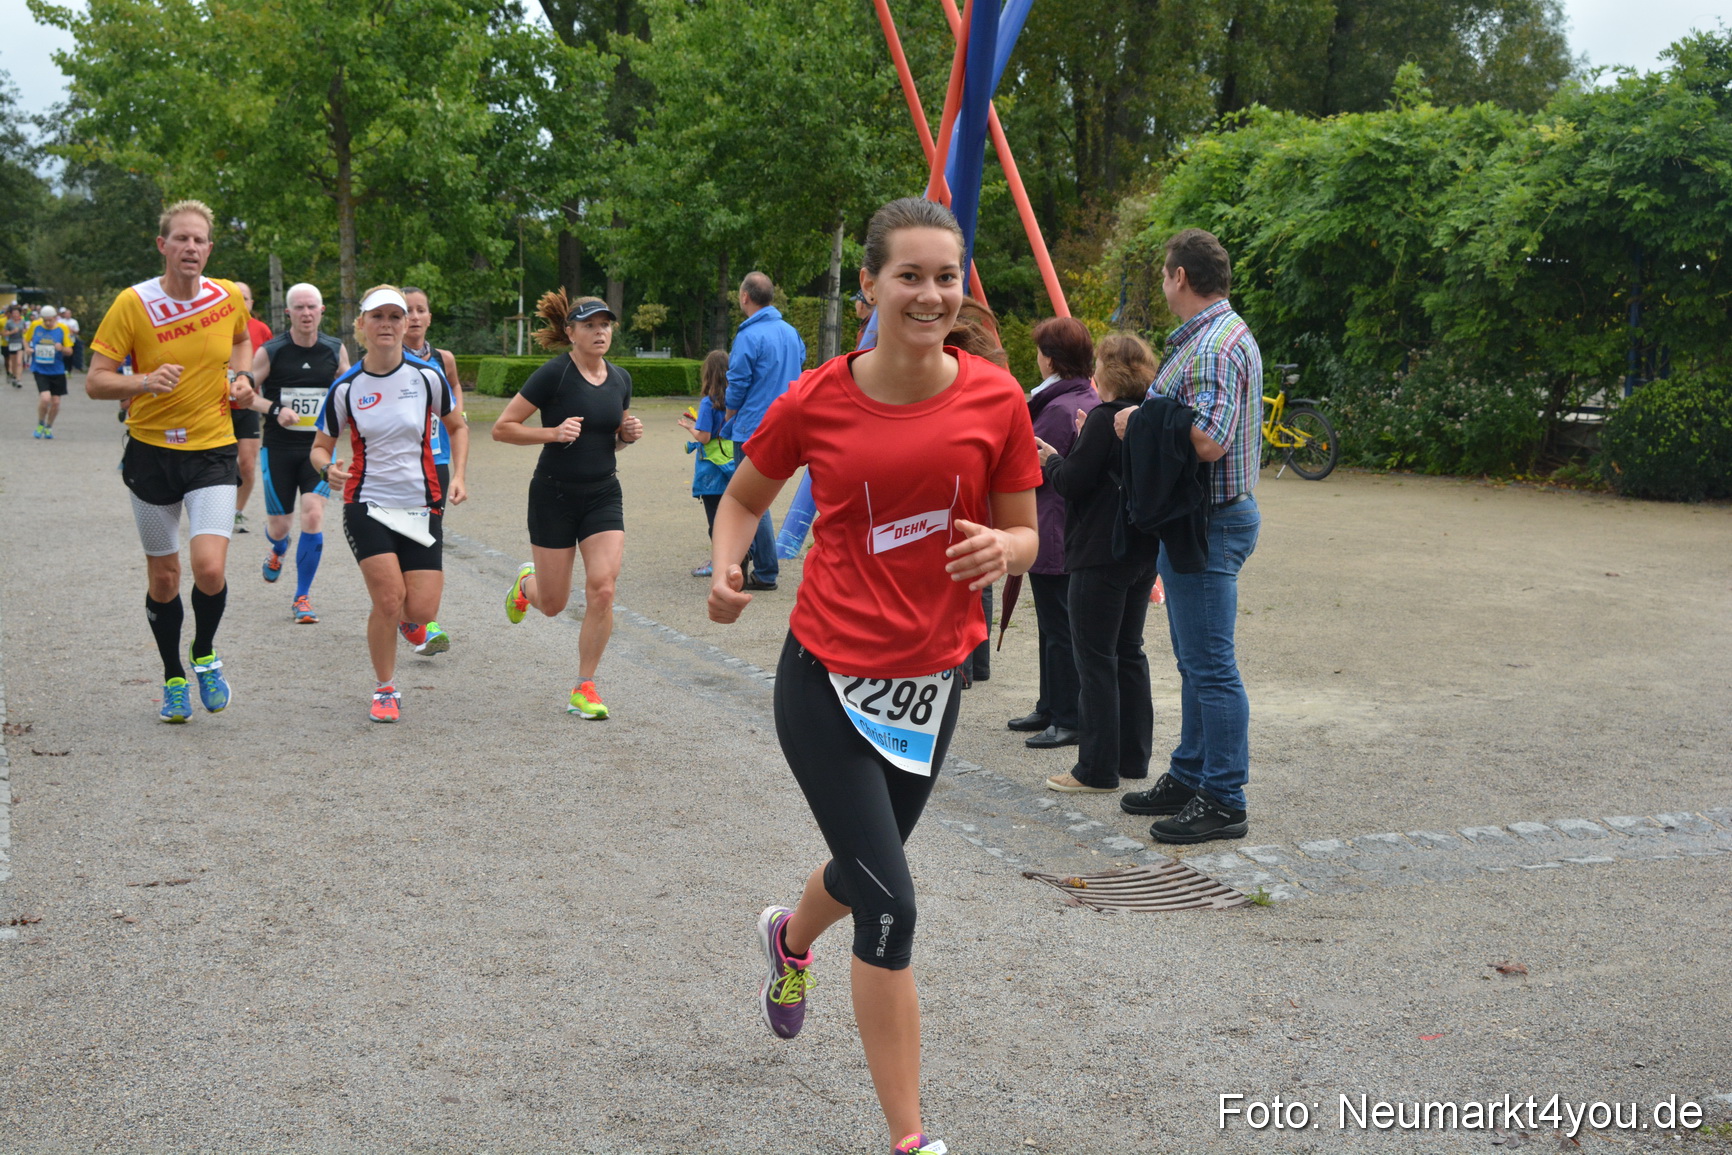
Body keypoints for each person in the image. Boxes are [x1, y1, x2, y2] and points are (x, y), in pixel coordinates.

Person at [709, 197, 1040, 1155]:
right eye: (911, 275)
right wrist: (732, 564)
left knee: (864, 871)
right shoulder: (818, 397)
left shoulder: (994, 400)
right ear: (870, 285)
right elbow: (743, 497)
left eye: (947, 276)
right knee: (890, 900)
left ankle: (788, 935)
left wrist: (1002, 549)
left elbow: (1025, 528)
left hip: (929, 688)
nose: (932, 294)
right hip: (823, 677)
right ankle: (911, 1139)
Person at [1114, 228, 1263, 843]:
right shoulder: (1219, 336)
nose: (1163, 284)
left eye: (1164, 275)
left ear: (1179, 276)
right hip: (1204, 519)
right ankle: (1191, 773)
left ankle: (1224, 799)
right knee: (1197, 662)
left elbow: (1209, 440)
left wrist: (1139, 422)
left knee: (1210, 666)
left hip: (1209, 523)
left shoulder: (1213, 347)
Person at [85, 200, 256, 722]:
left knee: (208, 567)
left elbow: (242, 340)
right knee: (164, 577)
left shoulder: (226, 296)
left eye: (199, 240)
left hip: (211, 449)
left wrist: (242, 379)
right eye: (180, 239)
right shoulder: (132, 304)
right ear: (163, 246)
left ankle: (203, 652)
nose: (190, 247)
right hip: (151, 453)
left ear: (209, 247)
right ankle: (173, 677)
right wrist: (140, 381)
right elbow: (96, 380)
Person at [308, 285, 467, 723]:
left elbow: (457, 426)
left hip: (421, 503)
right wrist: (328, 470)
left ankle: (403, 623)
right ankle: (385, 688)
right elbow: (320, 447)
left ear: (405, 325)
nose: (388, 324)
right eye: (377, 317)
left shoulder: (427, 376)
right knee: (389, 599)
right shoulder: (346, 386)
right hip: (368, 502)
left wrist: (461, 475)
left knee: (422, 610)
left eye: (395, 317)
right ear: (361, 325)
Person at [493, 291, 644, 719]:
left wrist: (625, 437)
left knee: (603, 588)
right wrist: (552, 433)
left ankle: (585, 686)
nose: (600, 332)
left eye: (606, 324)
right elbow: (503, 429)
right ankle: (526, 586)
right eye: (591, 325)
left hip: (602, 494)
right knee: (554, 603)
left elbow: (607, 440)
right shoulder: (553, 376)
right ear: (571, 332)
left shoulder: (621, 379)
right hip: (553, 494)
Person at [1038, 334, 1163, 793]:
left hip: (1098, 551)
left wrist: (1052, 459)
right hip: (1141, 549)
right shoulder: (1147, 418)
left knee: (1095, 658)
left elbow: (1071, 482)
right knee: (1129, 652)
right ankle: (1133, 757)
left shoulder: (1102, 419)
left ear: (1105, 373)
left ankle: (1094, 769)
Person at [1008, 317, 1097, 749]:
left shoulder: (1060, 406)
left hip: (1054, 529)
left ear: (1052, 359)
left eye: (1041, 351)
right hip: (1056, 527)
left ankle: (1066, 715)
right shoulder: (1073, 396)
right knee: (1052, 625)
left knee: (1059, 628)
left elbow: (1032, 467)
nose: (1037, 358)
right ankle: (1050, 705)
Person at [243, 281, 348, 624]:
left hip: (318, 449)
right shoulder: (271, 351)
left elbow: (350, 391)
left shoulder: (335, 349)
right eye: (299, 308)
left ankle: (302, 597)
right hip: (278, 449)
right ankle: (278, 549)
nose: (306, 313)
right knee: (279, 525)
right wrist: (275, 410)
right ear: (288, 312)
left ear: (322, 311)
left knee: (314, 514)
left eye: (311, 307)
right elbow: (245, 396)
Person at [399, 285, 470, 655]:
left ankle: (422, 619)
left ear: (429, 316)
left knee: (429, 535)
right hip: (395, 466)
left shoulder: (443, 358)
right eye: (406, 310)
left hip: (436, 461)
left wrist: (456, 410)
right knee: (398, 538)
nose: (413, 316)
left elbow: (454, 387)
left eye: (420, 309)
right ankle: (404, 609)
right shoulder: (388, 357)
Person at [724, 271, 806, 592]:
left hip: (752, 426)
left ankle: (766, 570)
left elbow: (738, 383)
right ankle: (759, 566)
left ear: (745, 297)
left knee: (748, 500)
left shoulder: (748, 335)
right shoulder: (790, 332)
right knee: (761, 499)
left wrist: (729, 413)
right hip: (785, 425)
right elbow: (799, 362)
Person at [675, 349, 734, 577]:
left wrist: (692, 427)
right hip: (733, 462)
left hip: (712, 468)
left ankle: (717, 564)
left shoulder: (709, 402)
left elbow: (705, 437)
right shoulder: (736, 399)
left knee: (716, 520)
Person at [229, 282, 273, 532]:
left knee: (246, 463)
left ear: (251, 303)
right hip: (216, 407)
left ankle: (237, 511)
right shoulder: (213, 326)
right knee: (219, 463)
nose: (240, 302)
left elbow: (269, 369)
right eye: (235, 298)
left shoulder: (260, 330)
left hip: (247, 405)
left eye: (244, 298)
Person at [25, 305, 75, 439]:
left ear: (55, 318)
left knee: (56, 402)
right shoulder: (35, 326)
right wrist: (27, 349)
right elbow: (26, 338)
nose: (47, 323)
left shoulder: (62, 328)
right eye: (44, 320)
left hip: (57, 370)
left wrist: (62, 348)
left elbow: (70, 351)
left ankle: (49, 426)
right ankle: (40, 423)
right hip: (40, 368)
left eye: (50, 320)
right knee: (45, 398)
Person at [4, 304, 23, 384]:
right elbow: (4, 333)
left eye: (17, 313)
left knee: (19, 362)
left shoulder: (23, 321)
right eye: (14, 313)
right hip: (12, 343)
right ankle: (14, 376)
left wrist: (24, 331)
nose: (15, 314)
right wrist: (12, 332)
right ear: (11, 314)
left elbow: (26, 330)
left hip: (20, 342)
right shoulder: (9, 322)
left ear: (19, 314)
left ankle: (19, 379)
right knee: (14, 362)